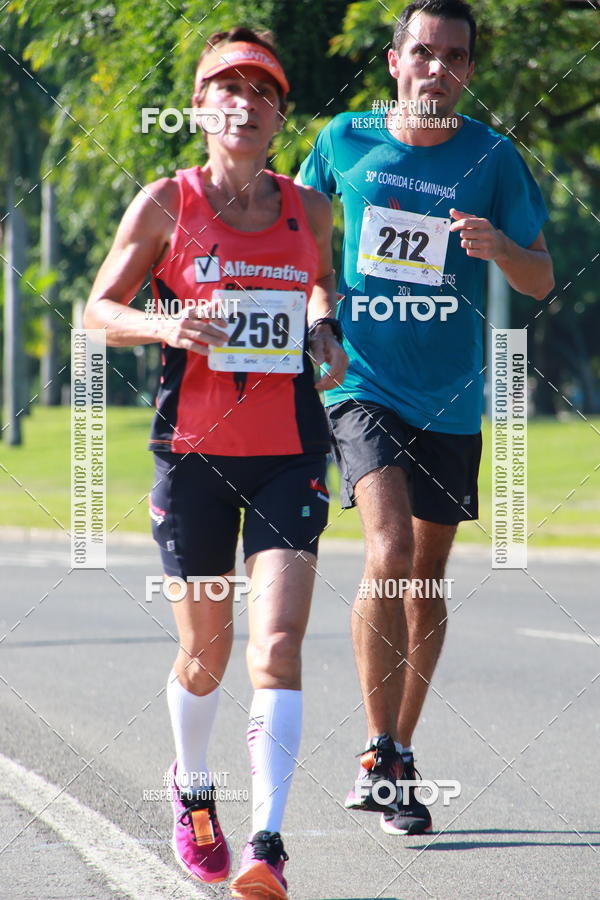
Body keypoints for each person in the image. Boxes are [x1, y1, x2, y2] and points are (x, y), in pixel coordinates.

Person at [84, 27, 347, 899]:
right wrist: (167, 324)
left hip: (288, 451)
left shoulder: (310, 210)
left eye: (261, 90)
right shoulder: (167, 202)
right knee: (208, 649)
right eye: (224, 88)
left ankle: (267, 845)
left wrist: (322, 325)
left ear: (278, 116)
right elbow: (98, 309)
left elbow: (321, 283)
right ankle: (194, 790)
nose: (242, 102)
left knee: (276, 641)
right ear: (200, 108)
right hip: (193, 453)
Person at [297, 0, 553, 835]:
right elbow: (300, 246)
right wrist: (318, 314)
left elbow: (542, 278)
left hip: (451, 395)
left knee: (427, 578)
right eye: (423, 52)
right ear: (395, 62)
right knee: (392, 548)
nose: (437, 67)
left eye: (454, 56)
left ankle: (396, 757)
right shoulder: (343, 141)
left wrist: (498, 249)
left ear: (470, 71)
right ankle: (377, 744)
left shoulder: (493, 157)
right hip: (360, 380)